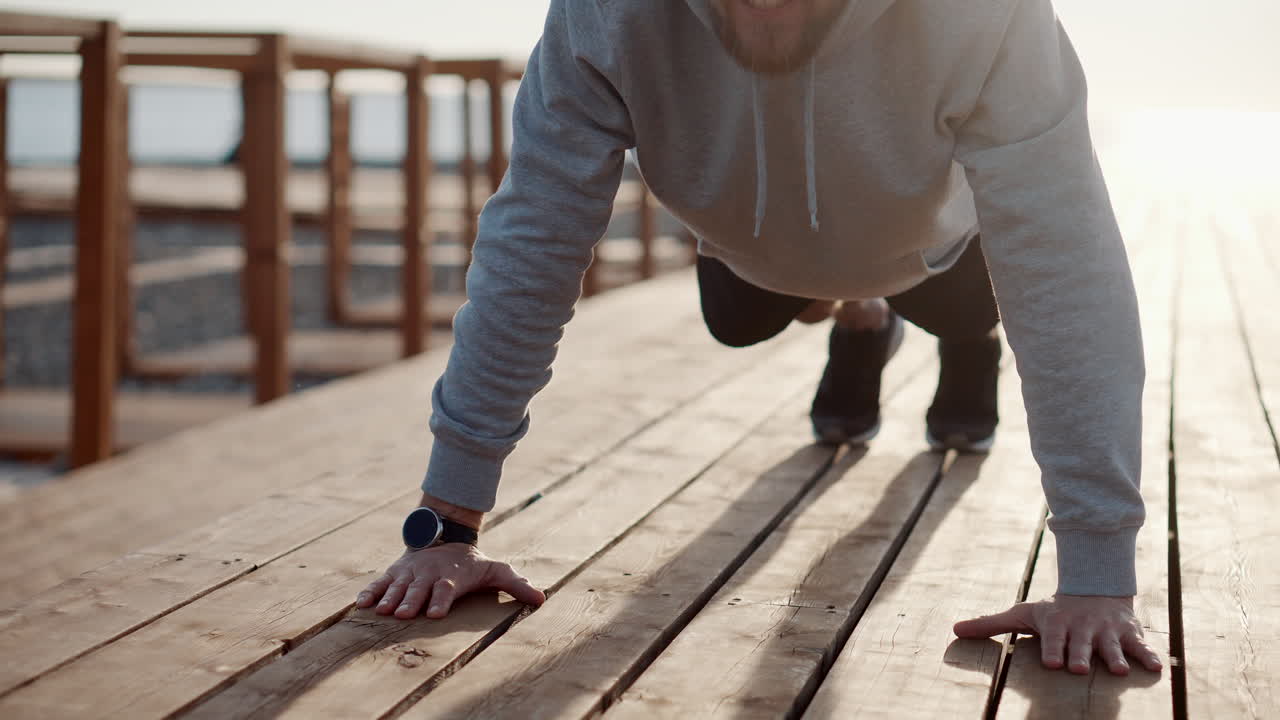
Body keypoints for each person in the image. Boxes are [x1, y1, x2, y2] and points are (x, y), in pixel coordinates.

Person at [356, 0, 1163, 677]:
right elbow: (534, 240)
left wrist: (1096, 577)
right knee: (737, 325)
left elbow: (1064, 263)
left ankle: (919, 328)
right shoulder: (605, 14)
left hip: (933, 247)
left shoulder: (985, 14)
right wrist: (447, 527)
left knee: (976, 312)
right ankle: (860, 318)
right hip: (751, 248)